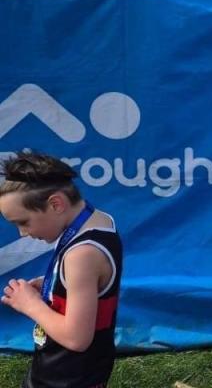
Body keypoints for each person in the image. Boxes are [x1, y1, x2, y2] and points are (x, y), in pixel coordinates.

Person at [0, 153, 123, 388]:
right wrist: (55, 284)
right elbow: (92, 285)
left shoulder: (82, 254)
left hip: (67, 378)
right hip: (78, 371)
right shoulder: (98, 221)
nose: (22, 233)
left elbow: (77, 339)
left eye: (23, 222)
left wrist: (30, 304)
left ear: (56, 204)